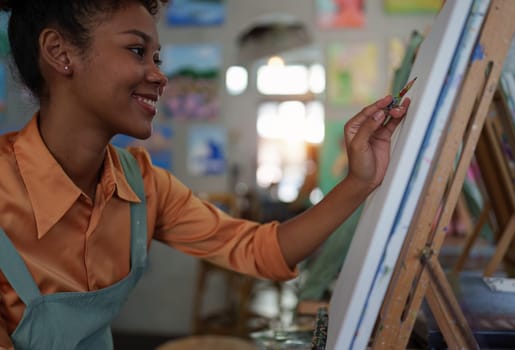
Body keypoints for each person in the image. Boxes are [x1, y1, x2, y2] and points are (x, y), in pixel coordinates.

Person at [0, 0, 410, 349]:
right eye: (137, 50)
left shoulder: (142, 184)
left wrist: (360, 181)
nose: (160, 74)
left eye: (156, 58)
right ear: (59, 52)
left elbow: (259, 250)